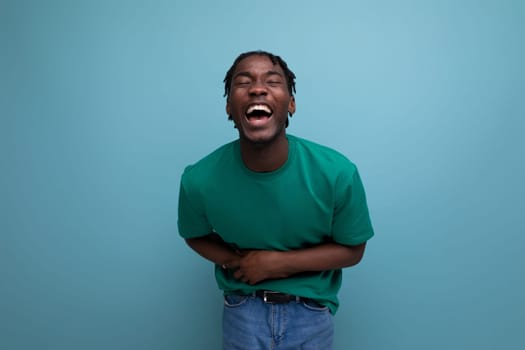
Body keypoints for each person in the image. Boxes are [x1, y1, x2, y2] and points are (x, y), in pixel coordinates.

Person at [177, 50, 374, 349]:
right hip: (242, 312)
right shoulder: (199, 179)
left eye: (272, 81)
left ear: (291, 104)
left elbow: (353, 249)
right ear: (229, 107)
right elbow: (194, 234)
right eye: (243, 82)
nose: (257, 88)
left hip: (311, 313)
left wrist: (275, 264)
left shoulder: (337, 173)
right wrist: (235, 261)